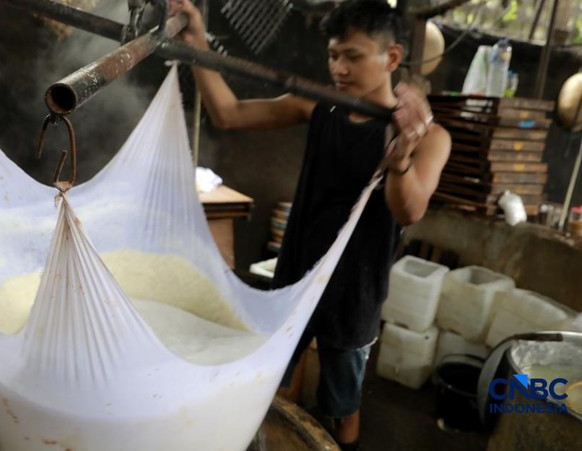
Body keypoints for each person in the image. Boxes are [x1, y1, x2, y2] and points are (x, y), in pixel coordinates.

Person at [169, 0, 451, 449]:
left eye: (353, 56)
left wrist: (398, 160)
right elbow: (228, 113)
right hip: (296, 275)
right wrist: (197, 42)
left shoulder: (431, 137)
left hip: (356, 288)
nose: (339, 67)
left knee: (343, 405)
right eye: (333, 54)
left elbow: (409, 210)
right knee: (264, 383)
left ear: (391, 58)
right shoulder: (318, 106)